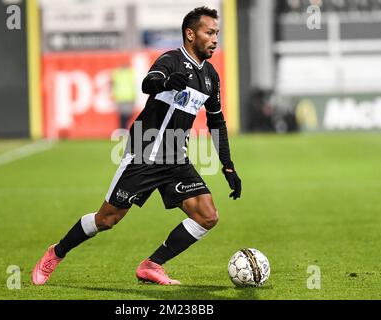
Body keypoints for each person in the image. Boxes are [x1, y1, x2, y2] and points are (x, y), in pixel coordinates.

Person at [32, 6, 242, 286]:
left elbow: (216, 122)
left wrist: (228, 167)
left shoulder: (210, 77)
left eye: (217, 33)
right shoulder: (171, 60)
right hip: (145, 152)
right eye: (209, 32)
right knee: (107, 219)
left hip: (175, 157)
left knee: (207, 215)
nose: (215, 39)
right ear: (190, 34)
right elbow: (149, 82)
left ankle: (151, 265)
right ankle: (56, 252)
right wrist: (166, 82)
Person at [111, 64, 136, 130]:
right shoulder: (129, 73)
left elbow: (112, 83)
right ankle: (122, 129)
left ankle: (123, 128)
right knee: (123, 115)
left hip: (127, 96)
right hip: (123, 97)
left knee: (127, 114)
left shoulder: (117, 73)